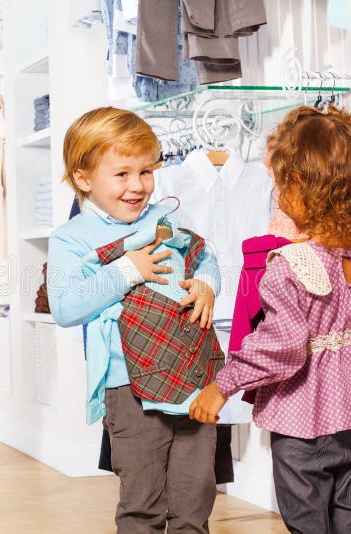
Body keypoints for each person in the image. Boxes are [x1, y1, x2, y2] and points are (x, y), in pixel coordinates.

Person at [190, 106, 351, 534]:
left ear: (303, 190)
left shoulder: (289, 265)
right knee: (349, 517)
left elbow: (281, 347)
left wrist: (222, 386)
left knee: (307, 524)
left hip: (301, 422)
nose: (276, 196)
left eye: (279, 185)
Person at [48, 107, 223, 533]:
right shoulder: (71, 239)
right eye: (122, 174)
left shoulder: (166, 218)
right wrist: (129, 269)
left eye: (146, 172)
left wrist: (204, 283)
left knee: (195, 494)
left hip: (192, 374)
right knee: (142, 501)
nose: (138, 185)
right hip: (129, 387)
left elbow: (205, 255)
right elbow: (66, 306)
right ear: (84, 178)